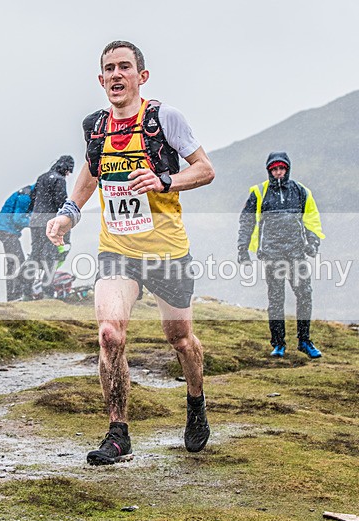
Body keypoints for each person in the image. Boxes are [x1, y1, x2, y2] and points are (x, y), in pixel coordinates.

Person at [46, 40, 216, 465]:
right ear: (101, 79)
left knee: (179, 340)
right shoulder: (97, 127)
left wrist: (164, 181)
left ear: (141, 76)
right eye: (109, 69)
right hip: (117, 251)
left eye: (125, 67)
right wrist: (69, 213)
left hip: (168, 252)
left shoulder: (163, 119)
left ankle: (196, 403)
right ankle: (118, 432)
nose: (117, 75)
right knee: (109, 334)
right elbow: (92, 170)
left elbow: (205, 169)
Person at [237, 152, 325, 359]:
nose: (278, 172)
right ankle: (278, 344)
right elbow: (246, 221)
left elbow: (311, 218)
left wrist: (313, 243)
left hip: (296, 253)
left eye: (281, 168)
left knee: (305, 295)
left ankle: (304, 341)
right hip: (271, 254)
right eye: (274, 169)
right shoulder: (259, 192)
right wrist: (242, 249)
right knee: (276, 300)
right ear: (269, 171)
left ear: (288, 169)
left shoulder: (301, 191)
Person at [24, 155, 74, 299]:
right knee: (51, 256)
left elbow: (33, 197)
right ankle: (47, 290)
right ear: (66, 168)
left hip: (35, 221)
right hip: (49, 221)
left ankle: (26, 289)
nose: (69, 174)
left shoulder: (42, 177)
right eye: (69, 170)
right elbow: (61, 202)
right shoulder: (59, 179)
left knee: (36, 254)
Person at [0, 184, 35, 301]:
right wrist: (34, 221)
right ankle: (14, 296)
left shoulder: (28, 194)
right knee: (16, 262)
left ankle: (13, 296)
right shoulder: (25, 197)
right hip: (6, 230)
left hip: (6, 230)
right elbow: (17, 219)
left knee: (14, 263)